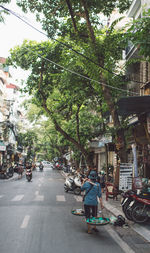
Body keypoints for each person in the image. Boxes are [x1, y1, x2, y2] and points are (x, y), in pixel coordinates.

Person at [81, 170, 104, 234]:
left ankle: (89, 230)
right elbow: (100, 196)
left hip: (87, 202)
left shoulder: (86, 183)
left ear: (90, 177)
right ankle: (94, 227)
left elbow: (81, 188)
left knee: (88, 216)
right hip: (94, 203)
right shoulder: (98, 185)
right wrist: (102, 204)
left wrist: (83, 181)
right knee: (94, 215)